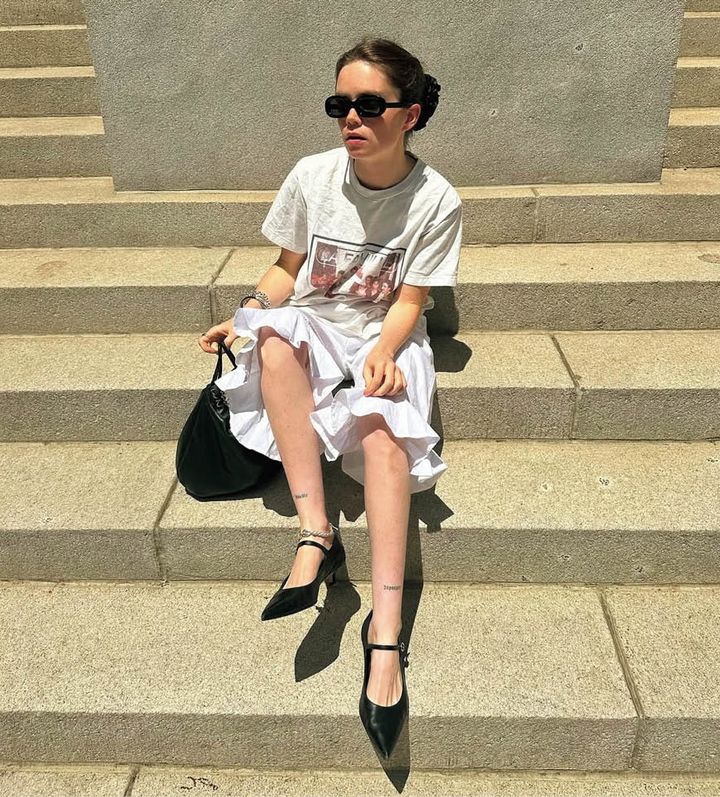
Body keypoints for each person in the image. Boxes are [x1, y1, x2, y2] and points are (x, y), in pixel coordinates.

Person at [198, 36, 462, 760]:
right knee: (273, 337)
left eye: (370, 104)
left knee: (383, 429)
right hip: (317, 323)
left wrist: (384, 352)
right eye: (340, 103)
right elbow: (287, 269)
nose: (352, 117)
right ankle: (316, 533)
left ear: (410, 114)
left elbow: (411, 300)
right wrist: (248, 311)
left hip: (384, 332)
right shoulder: (313, 176)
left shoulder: (435, 198)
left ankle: (385, 634)